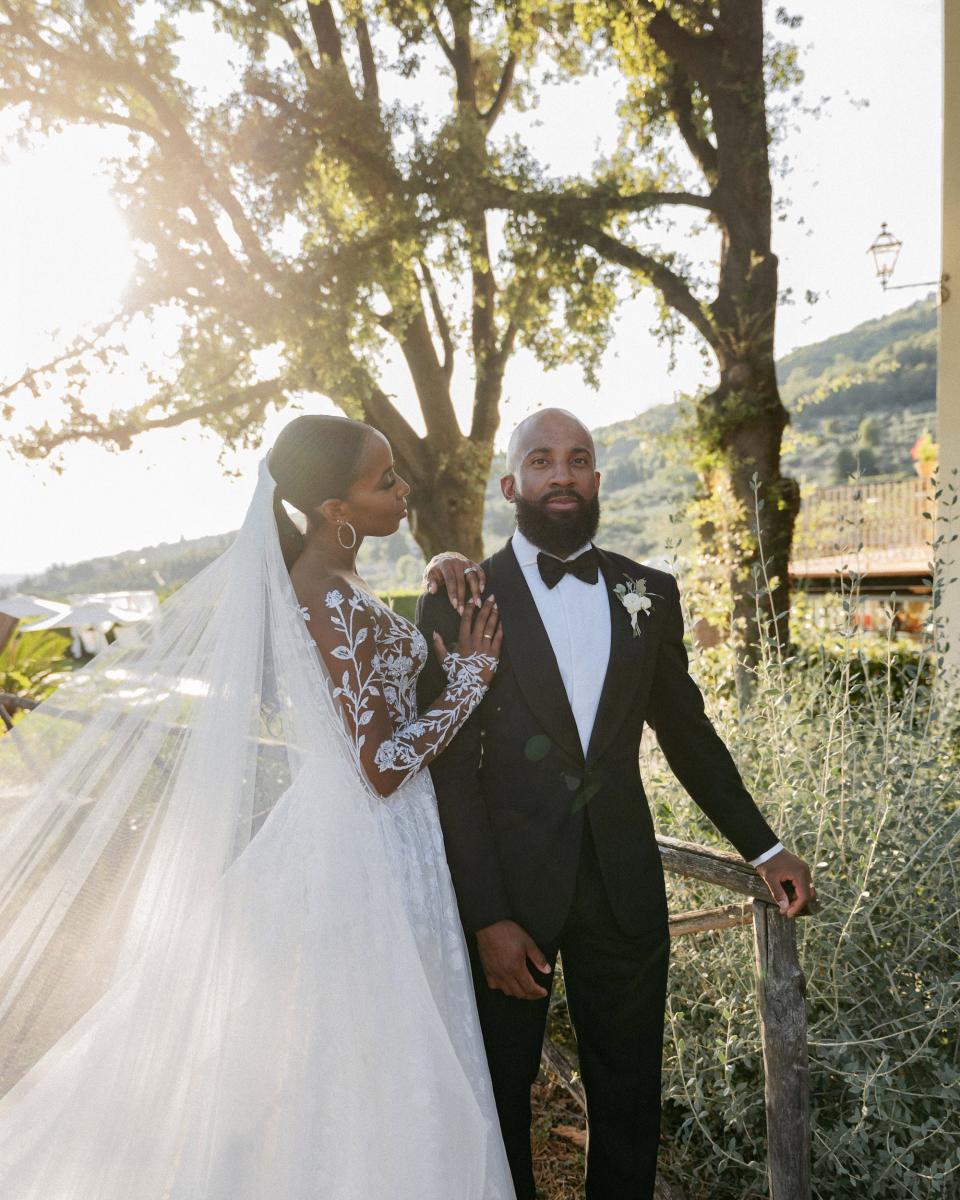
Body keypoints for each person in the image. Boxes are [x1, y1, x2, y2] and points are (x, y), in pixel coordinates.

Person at [0, 415, 516, 1200]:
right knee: (365, 1056)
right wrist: (472, 680)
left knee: (367, 1053)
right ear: (337, 510)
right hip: (364, 851)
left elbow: (375, 707)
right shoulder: (322, 593)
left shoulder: (331, 579)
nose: (404, 488)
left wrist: (439, 590)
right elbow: (380, 766)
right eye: (385, 481)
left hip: (373, 839)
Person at [416, 407, 816, 1200]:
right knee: (498, 1101)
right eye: (540, 460)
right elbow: (449, 771)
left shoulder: (650, 592)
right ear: (511, 484)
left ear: (598, 478)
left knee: (631, 1101)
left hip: (624, 888)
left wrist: (764, 849)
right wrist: (487, 915)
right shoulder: (461, 594)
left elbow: (689, 736)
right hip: (508, 897)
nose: (560, 474)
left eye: (577, 459)